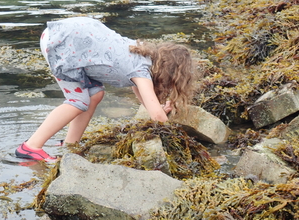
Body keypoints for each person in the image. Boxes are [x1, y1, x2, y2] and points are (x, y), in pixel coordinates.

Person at [15, 17, 200, 161]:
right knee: (77, 101)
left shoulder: (142, 54)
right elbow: (157, 118)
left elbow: (144, 96)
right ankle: (31, 147)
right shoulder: (141, 72)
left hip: (72, 36)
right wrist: (176, 137)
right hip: (62, 44)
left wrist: (157, 106)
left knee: (95, 95)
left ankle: (71, 143)